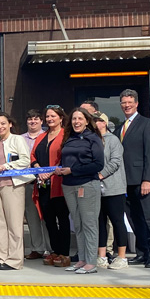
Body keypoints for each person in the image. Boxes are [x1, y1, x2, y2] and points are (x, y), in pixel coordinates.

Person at [54, 109, 104, 274]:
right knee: (78, 224)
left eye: (80, 118)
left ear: (87, 121)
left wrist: (72, 170)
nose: (76, 121)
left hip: (87, 184)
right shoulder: (69, 138)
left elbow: (98, 165)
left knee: (89, 223)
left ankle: (91, 262)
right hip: (68, 185)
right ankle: (82, 259)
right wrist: (61, 170)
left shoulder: (93, 138)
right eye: (74, 118)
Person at [0, 113, 33, 270]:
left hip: (13, 186)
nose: (0, 127)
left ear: (10, 124)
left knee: (14, 224)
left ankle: (15, 260)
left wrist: (7, 166)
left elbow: (25, 160)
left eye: (3, 123)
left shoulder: (18, 140)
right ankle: (2, 257)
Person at [117, 89, 150, 268]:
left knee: (149, 218)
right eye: (123, 103)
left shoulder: (146, 124)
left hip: (141, 180)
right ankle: (142, 252)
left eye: (130, 102)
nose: (126, 106)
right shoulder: (120, 127)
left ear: (136, 104)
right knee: (134, 219)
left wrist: (147, 179)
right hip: (125, 181)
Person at [31, 106, 71, 268]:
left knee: (62, 219)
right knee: (49, 220)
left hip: (59, 185)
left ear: (61, 118)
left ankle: (64, 253)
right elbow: (33, 155)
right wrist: (39, 168)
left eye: (53, 116)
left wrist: (52, 172)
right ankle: (54, 250)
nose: (49, 119)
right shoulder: (41, 136)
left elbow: (66, 157)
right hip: (43, 184)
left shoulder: (66, 135)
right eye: (47, 116)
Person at [93, 111, 129, 270]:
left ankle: (121, 257)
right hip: (95, 189)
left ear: (105, 123)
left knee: (117, 221)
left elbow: (115, 162)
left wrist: (100, 174)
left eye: (99, 121)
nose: (96, 124)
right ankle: (101, 256)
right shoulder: (92, 140)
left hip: (114, 188)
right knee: (99, 222)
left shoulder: (113, 140)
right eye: (94, 121)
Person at [22, 109, 51, 260]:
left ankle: (50, 248)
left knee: (46, 216)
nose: (33, 122)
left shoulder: (48, 136)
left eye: (36, 119)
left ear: (41, 121)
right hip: (28, 182)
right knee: (32, 217)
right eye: (30, 119)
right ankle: (37, 248)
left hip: (46, 182)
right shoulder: (20, 139)